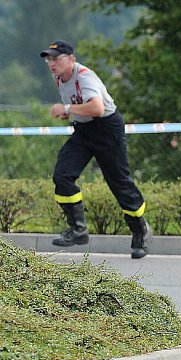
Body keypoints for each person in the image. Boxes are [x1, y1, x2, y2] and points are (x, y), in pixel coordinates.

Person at [40, 40, 152, 259]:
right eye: (49, 59)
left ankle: (141, 231)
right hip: (84, 130)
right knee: (62, 175)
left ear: (71, 59)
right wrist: (70, 112)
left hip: (107, 128)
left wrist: (66, 108)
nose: (52, 63)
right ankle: (78, 230)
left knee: (119, 183)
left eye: (57, 58)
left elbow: (97, 108)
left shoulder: (84, 77)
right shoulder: (59, 78)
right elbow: (81, 106)